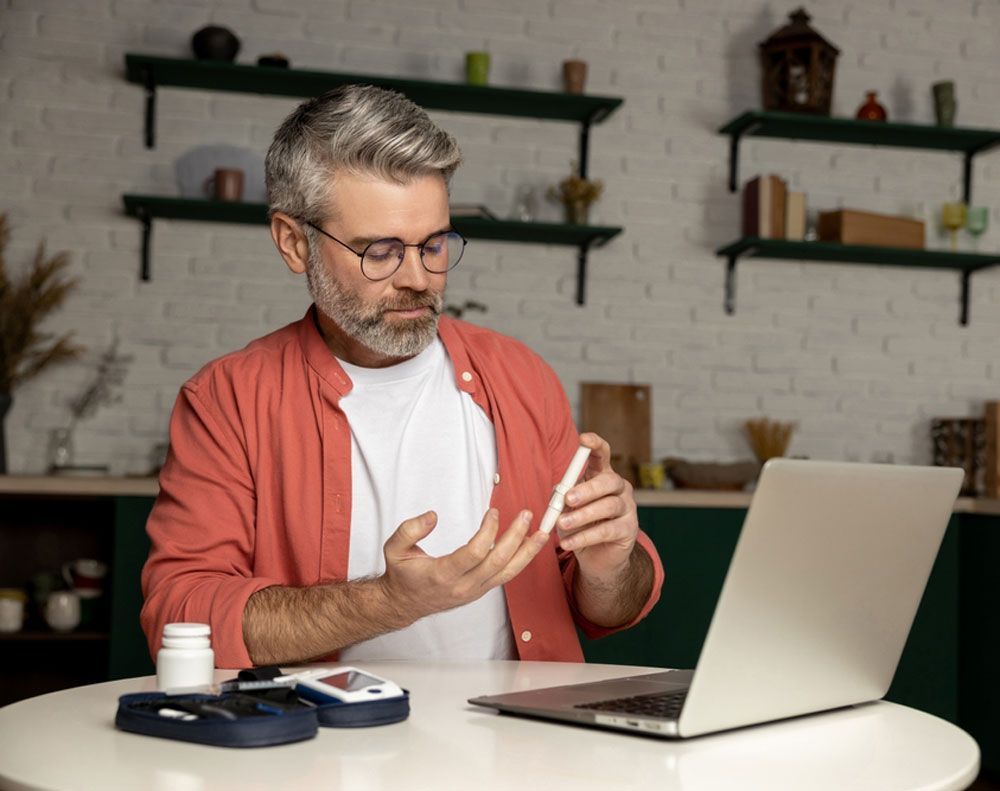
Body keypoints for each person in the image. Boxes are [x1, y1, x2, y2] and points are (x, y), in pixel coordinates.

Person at [140, 85, 664, 669]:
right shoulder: (227, 400)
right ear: (294, 243)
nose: (418, 277)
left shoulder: (521, 376)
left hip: (522, 749)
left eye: (434, 244)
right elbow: (181, 616)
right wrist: (386, 603)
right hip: (322, 753)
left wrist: (611, 565)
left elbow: (607, 609)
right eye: (380, 251)